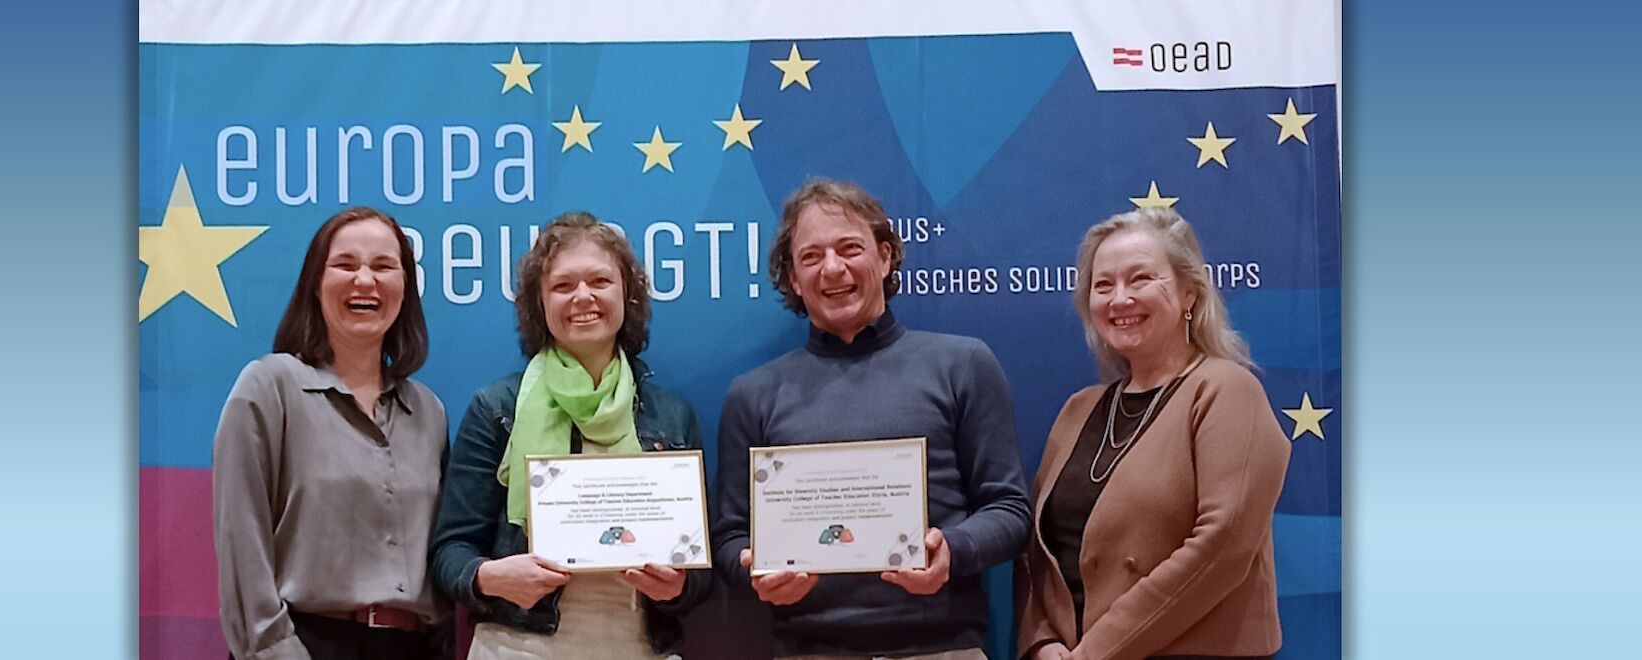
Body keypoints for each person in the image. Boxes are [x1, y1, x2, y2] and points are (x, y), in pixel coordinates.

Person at [712, 179, 1032, 658]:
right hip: (809, 650)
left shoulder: (963, 365)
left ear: (885, 257)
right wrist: (752, 569)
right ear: (794, 279)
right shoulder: (753, 395)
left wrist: (953, 549)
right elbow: (729, 537)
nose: (832, 268)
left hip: (941, 648)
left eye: (849, 248)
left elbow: (1009, 509)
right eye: (811, 256)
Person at [428, 212, 710, 659]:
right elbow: (450, 552)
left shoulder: (673, 416)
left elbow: (699, 574)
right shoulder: (497, 409)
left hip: (640, 648)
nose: (583, 297)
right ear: (539, 304)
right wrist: (491, 577)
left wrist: (678, 587)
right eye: (562, 286)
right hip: (515, 649)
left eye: (600, 281)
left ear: (627, 295)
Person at [1017, 208, 1291, 660]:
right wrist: (1041, 641)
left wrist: (1096, 652)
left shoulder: (1227, 390)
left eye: (1140, 279)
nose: (1120, 299)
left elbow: (1223, 546)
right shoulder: (1078, 410)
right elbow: (1036, 552)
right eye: (1103, 285)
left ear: (1189, 293)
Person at [214, 207, 450, 660]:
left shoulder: (428, 411)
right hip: (305, 644)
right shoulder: (269, 388)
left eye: (383, 266)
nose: (365, 280)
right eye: (345, 264)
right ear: (315, 284)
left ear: (406, 288)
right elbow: (242, 546)